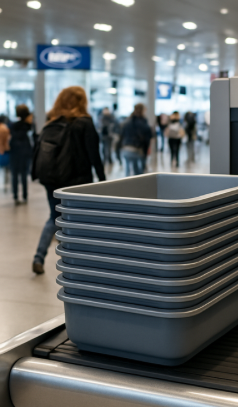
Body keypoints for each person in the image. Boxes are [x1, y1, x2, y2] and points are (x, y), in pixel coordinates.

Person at [31, 86, 105, 275]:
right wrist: (102, 180)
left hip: (51, 179)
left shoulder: (51, 121)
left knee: (54, 217)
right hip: (77, 180)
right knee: (80, 222)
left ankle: (39, 256)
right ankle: (76, 262)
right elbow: (94, 154)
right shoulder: (84, 123)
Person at [9, 105, 35, 205]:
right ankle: (25, 196)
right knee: (24, 174)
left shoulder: (14, 125)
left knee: (15, 175)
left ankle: (16, 196)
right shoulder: (28, 125)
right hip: (25, 151)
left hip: (15, 152)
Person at [118, 103, 152, 176]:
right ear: (142, 111)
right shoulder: (143, 122)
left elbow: (121, 136)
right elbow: (147, 139)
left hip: (126, 149)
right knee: (138, 173)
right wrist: (146, 153)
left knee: (127, 171)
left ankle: (127, 185)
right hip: (137, 149)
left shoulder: (127, 121)